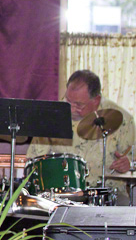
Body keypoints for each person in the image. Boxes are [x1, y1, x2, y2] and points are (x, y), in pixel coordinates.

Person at [27, 69, 135, 205]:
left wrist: (128, 164)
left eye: (78, 105)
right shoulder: (52, 116)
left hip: (109, 193)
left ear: (96, 100)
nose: (71, 108)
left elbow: (132, 160)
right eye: (68, 100)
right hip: (61, 195)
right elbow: (34, 161)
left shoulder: (123, 120)